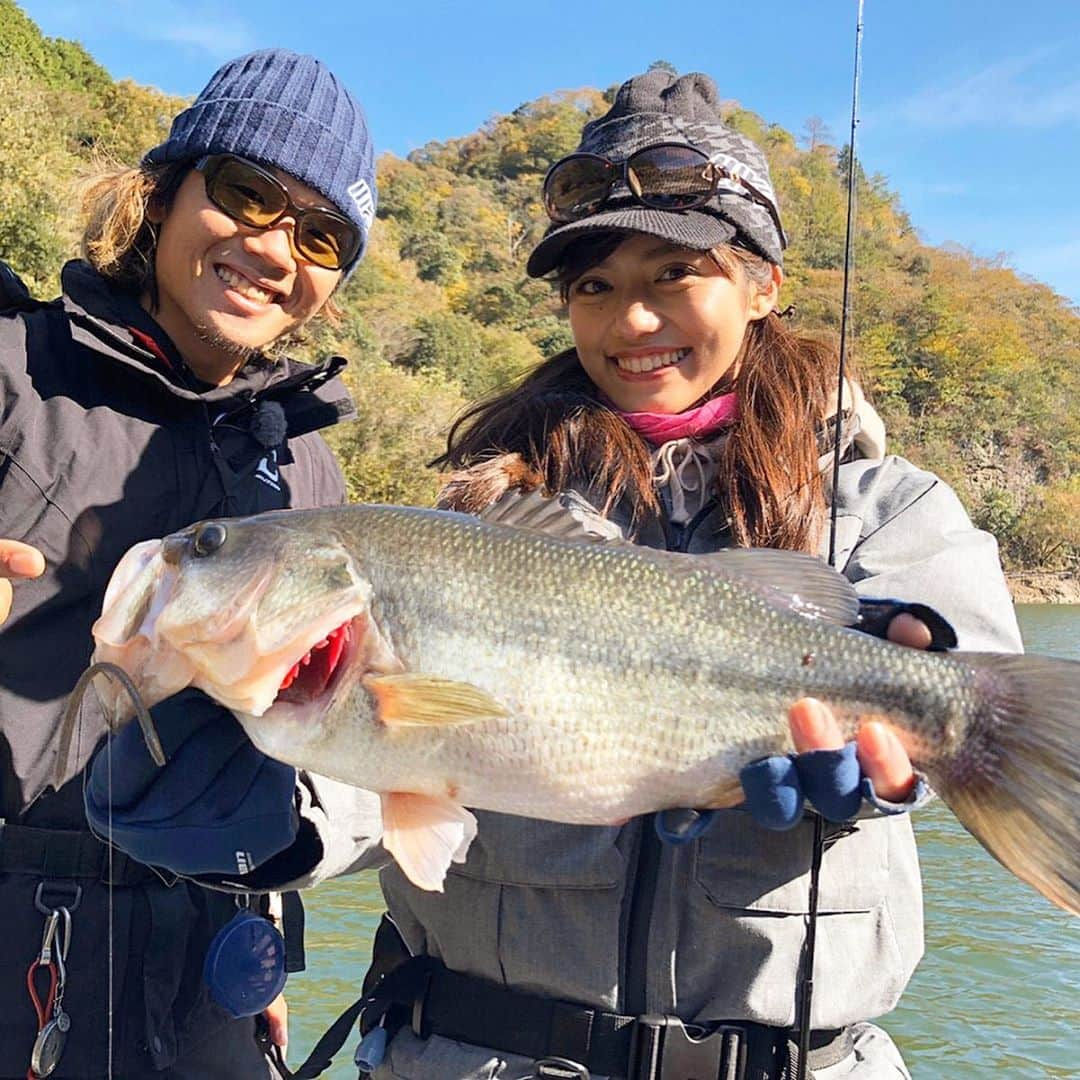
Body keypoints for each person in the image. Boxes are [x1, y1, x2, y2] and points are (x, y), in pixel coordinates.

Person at [86, 71, 1023, 1080]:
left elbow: (971, 676)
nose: (632, 322)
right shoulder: (478, 513)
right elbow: (383, 796)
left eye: (674, 273)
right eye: (596, 287)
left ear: (762, 284)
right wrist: (249, 816)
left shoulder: (892, 509)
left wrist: (904, 733)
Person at [0, 47, 376, 1078]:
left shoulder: (310, 472)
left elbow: (313, 735)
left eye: (319, 234)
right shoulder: (11, 371)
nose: (272, 247)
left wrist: (268, 948)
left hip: (215, 984)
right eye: (248, 194)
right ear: (164, 192)